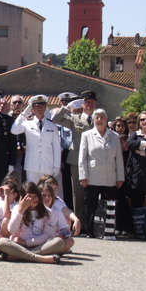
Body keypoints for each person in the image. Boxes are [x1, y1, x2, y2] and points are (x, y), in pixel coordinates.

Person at [52, 91, 97, 232]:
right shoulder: (75, 118)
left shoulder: (99, 117)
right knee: (77, 195)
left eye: (91, 102)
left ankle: (92, 224)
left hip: (95, 161)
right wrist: (67, 107)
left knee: (93, 194)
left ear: (95, 104)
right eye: (86, 102)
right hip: (76, 160)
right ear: (82, 104)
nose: (89, 104)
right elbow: (56, 119)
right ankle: (80, 225)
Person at [79, 109, 124, 238]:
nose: (99, 120)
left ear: (106, 119)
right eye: (97, 117)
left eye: (102, 117)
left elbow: (119, 158)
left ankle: (107, 230)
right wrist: (83, 176)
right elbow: (82, 158)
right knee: (91, 205)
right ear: (93, 120)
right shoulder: (87, 135)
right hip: (92, 176)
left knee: (109, 205)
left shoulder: (114, 136)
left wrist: (120, 177)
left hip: (110, 176)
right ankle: (90, 230)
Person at [0, 182, 63, 264]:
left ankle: (20, 257)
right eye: (30, 197)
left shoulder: (47, 212)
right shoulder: (17, 208)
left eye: (35, 196)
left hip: (39, 246)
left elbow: (49, 235)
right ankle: (41, 258)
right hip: (19, 246)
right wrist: (20, 211)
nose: (33, 199)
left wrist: (26, 242)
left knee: (59, 242)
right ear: (23, 198)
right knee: (1, 242)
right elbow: (12, 230)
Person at [11, 95, 61, 185]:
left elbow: (56, 147)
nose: (40, 108)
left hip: (48, 165)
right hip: (31, 165)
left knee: (46, 192)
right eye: (37, 106)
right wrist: (24, 114)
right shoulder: (27, 123)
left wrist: (57, 166)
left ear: (45, 107)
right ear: (32, 108)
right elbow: (14, 130)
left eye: (42, 106)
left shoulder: (52, 125)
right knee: (33, 192)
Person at [127, 111, 146, 230]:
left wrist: (140, 150)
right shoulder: (135, 134)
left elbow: (135, 147)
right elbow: (130, 143)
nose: (145, 122)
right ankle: (137, 230)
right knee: (136, 205)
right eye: (142, 120)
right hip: (137, 177)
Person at [39, 184, 75, 254]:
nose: (47, 198)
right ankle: (47, 252)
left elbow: (66, 230)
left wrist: (57, 235)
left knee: (70, 241)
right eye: (44, 195)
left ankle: (45, 252)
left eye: (50, 195)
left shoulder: (57, 211)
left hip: (51, 240)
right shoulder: (35, 210)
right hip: (35, 240)